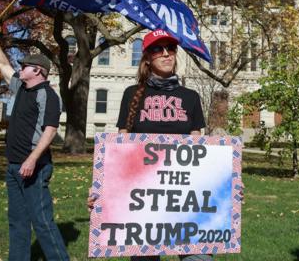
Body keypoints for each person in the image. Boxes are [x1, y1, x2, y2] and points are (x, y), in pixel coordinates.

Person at [88, 29, 209, 261]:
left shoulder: (191, 97)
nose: (166, 54)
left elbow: (200, 151)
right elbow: (119, 150)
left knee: (199, 258)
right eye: (157, 49)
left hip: (184, 199)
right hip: (142, 202)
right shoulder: (132, 94)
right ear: (147, 58)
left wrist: (227, 185)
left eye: (170, 48)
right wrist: (101, 189)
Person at [0, 23, 69, 261]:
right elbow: (2, 63)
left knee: (42, 222)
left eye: (24, 66)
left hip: (35, 167)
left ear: (38, 71)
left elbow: (50, 131)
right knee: (17, 222)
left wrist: (32, 160)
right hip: (13, 166)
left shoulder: (49, 95)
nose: (19, 68)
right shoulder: (20, 87)